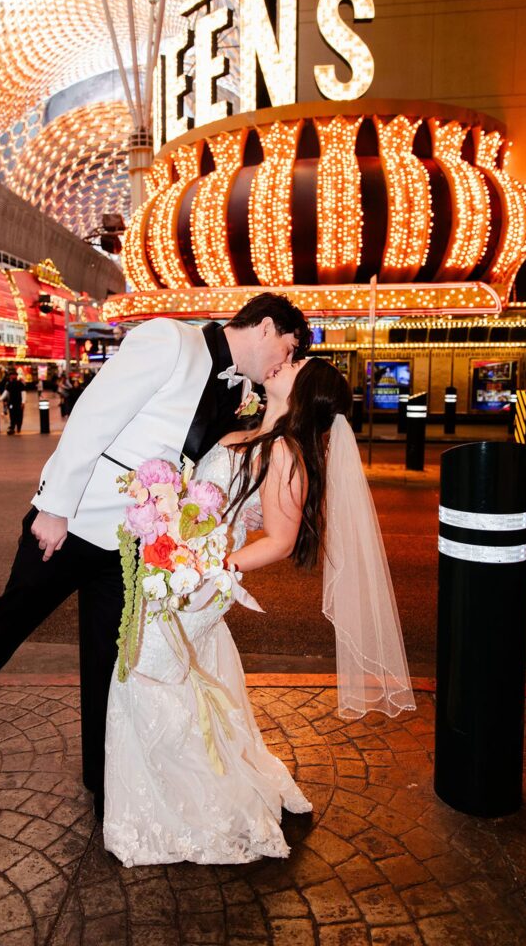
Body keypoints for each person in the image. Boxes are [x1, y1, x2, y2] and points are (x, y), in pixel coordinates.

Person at [0, 293, 309, 818]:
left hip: (134, 547)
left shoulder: (243, 393)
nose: (284, 357)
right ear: (265, 326)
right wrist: (54, 505)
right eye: (288, 343)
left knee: (106, 664)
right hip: (72, 522)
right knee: (3, 627)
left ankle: (103, 783)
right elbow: (93, 415)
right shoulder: (171, 339)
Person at [104, 357, 416, 866]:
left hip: (201, 579)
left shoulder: (286, 455)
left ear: (304, 390)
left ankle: (190, 808)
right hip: (180, 571)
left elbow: (281, 539)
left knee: (146, 674)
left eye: (295, 364)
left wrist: (213, 565)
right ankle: (166, 797)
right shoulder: (249, 433)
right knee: (163, 674)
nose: (282, 363)